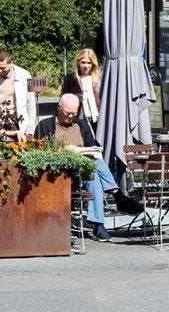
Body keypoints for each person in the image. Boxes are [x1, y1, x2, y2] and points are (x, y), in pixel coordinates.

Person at [35, 93, 117, 242]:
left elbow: (92, 147)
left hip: (82, 169)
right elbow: (41, 151)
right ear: (59, 107)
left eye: (74, 113)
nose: (71, 116)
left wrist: (86, 152)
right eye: (67, 113)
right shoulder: (45, 125)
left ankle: (98, 223)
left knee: (93, 174)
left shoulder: (81, 125)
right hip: (58, 171)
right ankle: (102, 216)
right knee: (93, 175)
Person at [61, 49, 103, 127]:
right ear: (78, 63)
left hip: (99, 117)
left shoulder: (101, 77)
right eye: (83, 62)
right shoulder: (70, 79)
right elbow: (63, 99)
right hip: (79, 118)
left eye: (89, 63)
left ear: (93, 63)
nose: (86, 66)